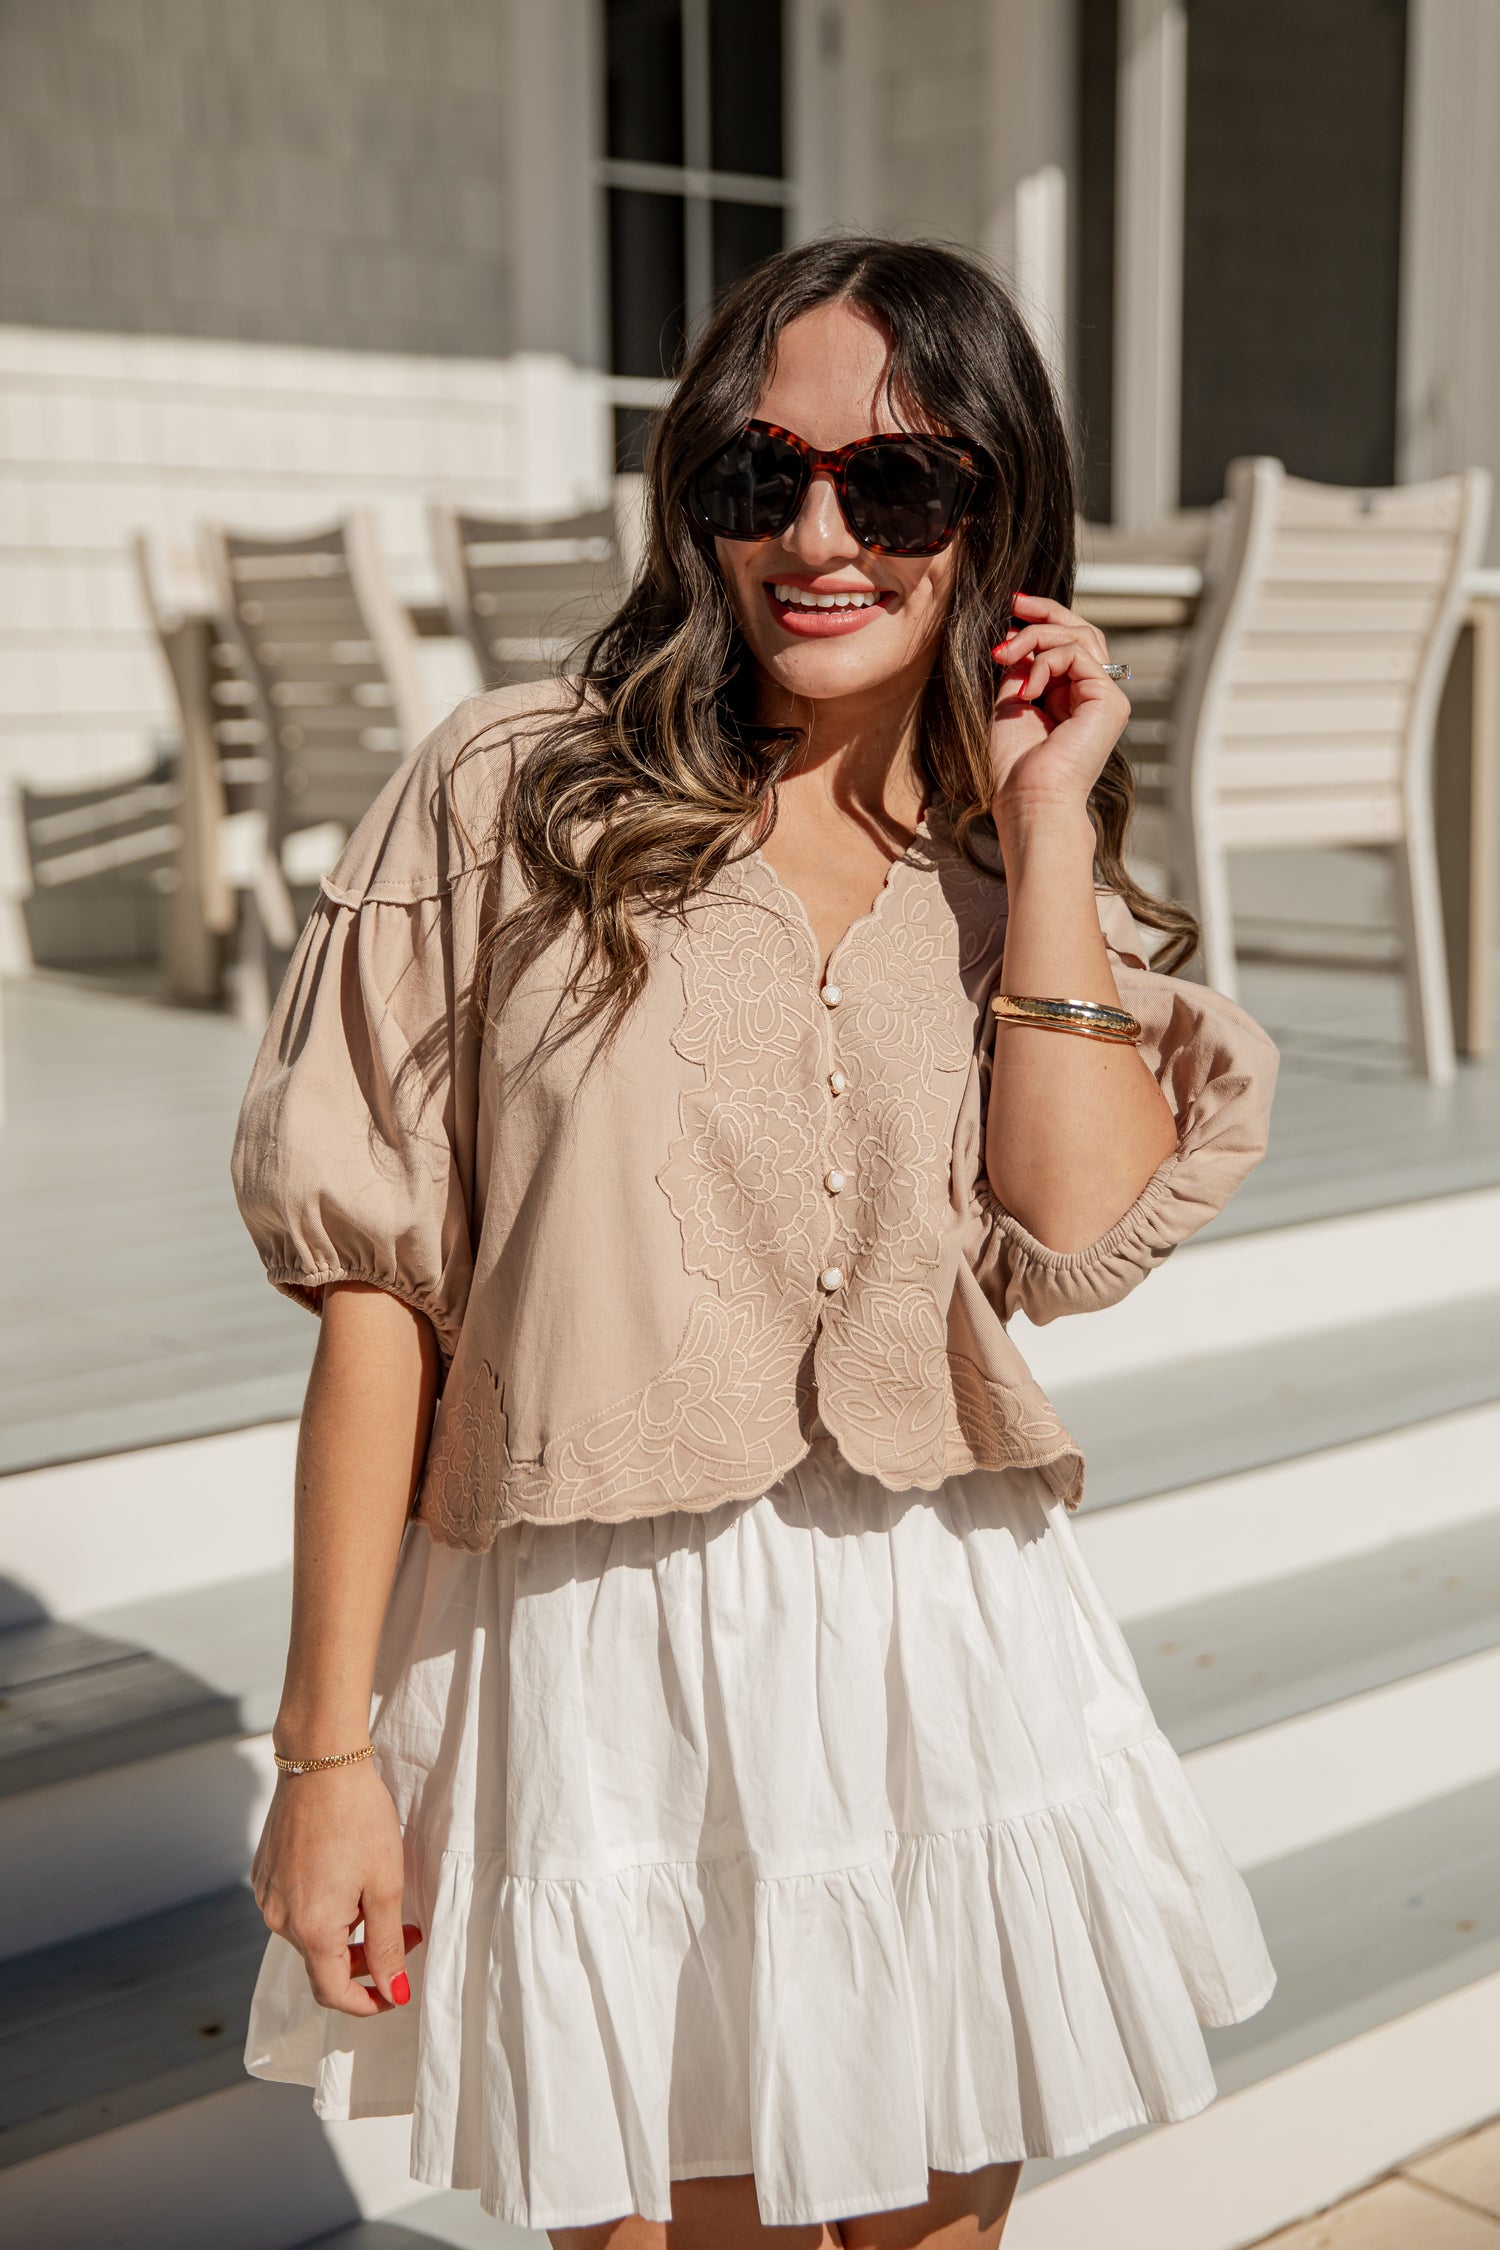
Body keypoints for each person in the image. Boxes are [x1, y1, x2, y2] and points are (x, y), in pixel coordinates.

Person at [233, 237, 1278, 2250]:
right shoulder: (509, 794)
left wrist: (1052, 830)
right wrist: (327, 1751)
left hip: (932, 1637)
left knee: (933, 2232)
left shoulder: (1002, 856)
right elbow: (378, 1298)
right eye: (756, 473)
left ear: (995, 514)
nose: (818, 534)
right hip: (597, 1650)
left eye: (896, 486)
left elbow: (1066, 1219)